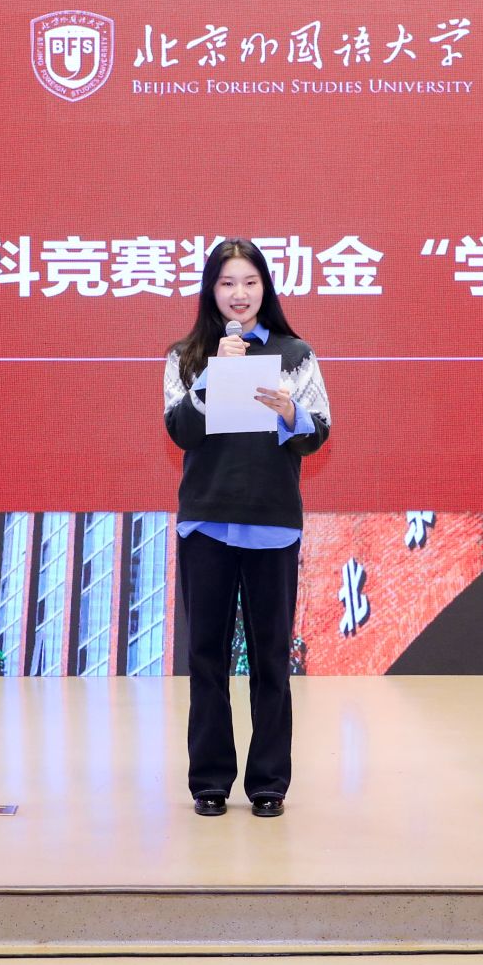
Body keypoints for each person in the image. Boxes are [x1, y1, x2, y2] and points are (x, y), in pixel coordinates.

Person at [163, 238, 331, 818]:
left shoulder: (296, 354)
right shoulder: (186, 356)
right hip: (207, 523)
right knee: (206, 658)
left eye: (250, 282)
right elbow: (180, 431)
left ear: (266, 288)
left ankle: (268, 784)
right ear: (211, 290)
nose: (239, 294)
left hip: (271, 524)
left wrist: (290, 413)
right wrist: (214, 377)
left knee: (270, 660)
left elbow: (318, 432)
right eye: (228, 282)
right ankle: (209, 781)